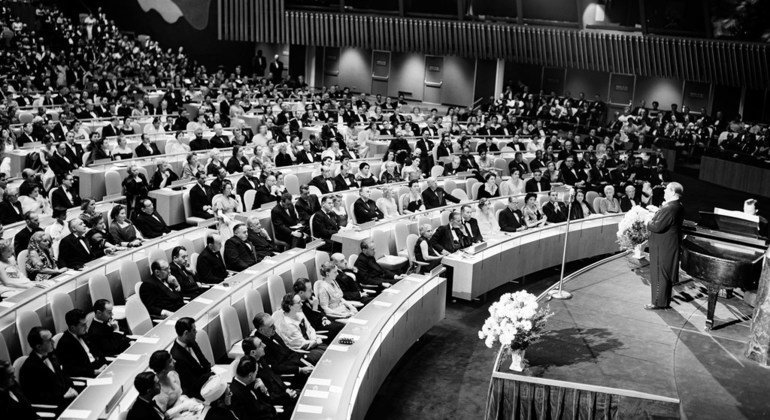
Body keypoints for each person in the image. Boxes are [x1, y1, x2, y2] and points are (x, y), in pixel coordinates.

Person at [645, 182, 685, 310]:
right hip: (668, 245)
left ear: (673, 192)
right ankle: (664, 301)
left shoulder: (669, 208)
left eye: (667, 190)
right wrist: (658, 211)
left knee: (658, 274)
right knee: (664, 274)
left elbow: (657, 226)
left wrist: (648, 221)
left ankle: (657, 302)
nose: (664, 191)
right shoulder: (678, 205)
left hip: (662, 246)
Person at [19, 327, 77, 407]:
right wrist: (63, 397)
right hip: (55, 406)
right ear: (39, 346)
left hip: (70, 398)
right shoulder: (28, 368)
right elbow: (35, 396)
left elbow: (64, 375)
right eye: (49, 340)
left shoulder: (52, 354)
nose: (53, 341)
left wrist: (72, 388)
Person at [241, 337, 299, 409]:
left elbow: (274, 377)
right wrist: (287, 395)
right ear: (253, 352)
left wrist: (286, 389)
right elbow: (266, 398)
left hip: (283, 393)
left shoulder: (261, 358)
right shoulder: (251, 371)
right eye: (260, 345)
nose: (264, 345)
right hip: (277, 403)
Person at [148, 350, 204, 418]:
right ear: (163, 369)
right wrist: (183, 406)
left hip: (187, 407)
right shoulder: (158, 392)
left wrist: (185, 401)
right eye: (170, 361)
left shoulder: (173, 374)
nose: (174, 361)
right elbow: (164, 416)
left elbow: (180, 394)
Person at [273, 293, 327, 363]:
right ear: (290, 306)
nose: (302, 304)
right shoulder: (288, 325)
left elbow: (310, 328)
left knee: (330, 350)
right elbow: (303, 344)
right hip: (303, 351)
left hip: (312, 342)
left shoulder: (299, 312)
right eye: (298, 303)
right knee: (326, 356)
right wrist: (316, 342)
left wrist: (314, 339)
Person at [56, 309, 107, 378]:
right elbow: (71, 369)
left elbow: (97, 351)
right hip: (88, 375)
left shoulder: (84, 334)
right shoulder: (65, 344)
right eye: (83, 325)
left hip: (99, 367)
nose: (86, 327)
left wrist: (105, 364)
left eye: (86, 323)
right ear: (73, 327)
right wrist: (94, 372)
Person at [170, 318, 213, 400]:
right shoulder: (177, 356)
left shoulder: (192, 341)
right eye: (194, 330)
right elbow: (191, 384)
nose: (196, 332)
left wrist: (211, 374)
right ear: (186, 333)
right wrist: (210, 376)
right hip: (197, 391)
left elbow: (204, 361)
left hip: (206, 379)